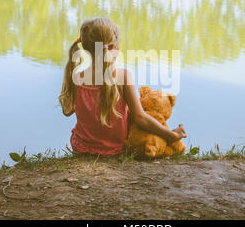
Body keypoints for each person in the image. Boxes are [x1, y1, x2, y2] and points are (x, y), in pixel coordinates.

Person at [58, 17, 187, 156]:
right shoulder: (123, 77)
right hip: (116, 150)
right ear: (113, 47)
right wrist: (170, 135)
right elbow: (140, 118)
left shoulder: (77, 77)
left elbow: (68, 111)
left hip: (81, 148)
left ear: (85, 47)